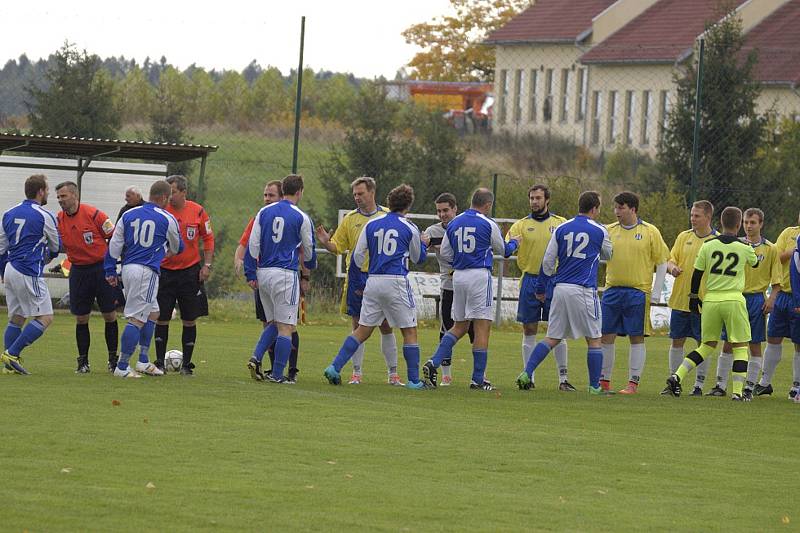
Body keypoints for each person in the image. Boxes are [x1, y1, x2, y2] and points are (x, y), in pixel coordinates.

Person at [324, 184, 429, 389]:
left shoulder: (371, 224)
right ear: (408, 204)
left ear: (389, 202)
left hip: (372, 280)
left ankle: (334, 367)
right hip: (396, 280)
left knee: (362, 330)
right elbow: (418, 258)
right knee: (409, 330)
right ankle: (414, 381)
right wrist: (423, 243)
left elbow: (357, 257)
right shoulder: (409, 227)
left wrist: (360, 283)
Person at [422, 188, 519, 391]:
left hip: (458, 277)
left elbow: (447, 254)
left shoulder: (454, 224)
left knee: (459, 326)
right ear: (488, 205)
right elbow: (504, 251)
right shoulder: (488, 223)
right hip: (478, 276)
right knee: (482, 327)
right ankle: (478, 379)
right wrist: (515, 242)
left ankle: (433, 362)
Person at [516, 191, 613, 395]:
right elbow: (608, 254)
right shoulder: (600, 230)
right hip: (584, 289)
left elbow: (548, 262)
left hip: (560, 289)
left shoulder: (561, 228)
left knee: (552, 337)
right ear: (595, 209)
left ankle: (526, 373)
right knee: (594, 339)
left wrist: (541, 288)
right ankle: (595, 386)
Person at [665, 207, 758, 401]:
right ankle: (738, 392)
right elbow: (755, 263)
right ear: (739, 224)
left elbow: (697, 274)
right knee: (740, 346)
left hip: (711, 300)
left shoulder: (707, 245)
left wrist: (693, 298)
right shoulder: (744, 247)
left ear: (721, 223)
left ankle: (677, 376)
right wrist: (747, 245)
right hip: (733, 299)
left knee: (706, 346)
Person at [316, 177, 402, 386]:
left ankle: (393, 374)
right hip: (357, 277)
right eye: (355, 194)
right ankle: (356, 373)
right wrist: (327, 243)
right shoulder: (349, 219)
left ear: (372, 193)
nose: (357, 198)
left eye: (360, 193)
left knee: (385, 325)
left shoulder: (387, 215)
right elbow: (338, 247)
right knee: (357, 325)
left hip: (380, 276)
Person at [105, 180, 183, 378]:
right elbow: (178, 247)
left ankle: (143, 361)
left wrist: (110, 270)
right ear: (165, 197)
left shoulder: (128, 214)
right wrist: (164, 251)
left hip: (128, 268)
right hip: (146, 272)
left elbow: (115, 243)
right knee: (137, 318)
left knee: (153, 313)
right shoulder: (167, 218)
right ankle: (122, 366)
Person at [245, 174, 316, 383]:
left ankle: (256, 357)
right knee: (286, 326)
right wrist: (310, 267)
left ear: (283, 189)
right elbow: (309, 249)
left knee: (273, 323)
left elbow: (253, 244)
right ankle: (277, 375)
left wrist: (251, 272)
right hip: (285, 273)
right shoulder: (301, 216)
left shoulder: (263, 212)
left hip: (264, 272)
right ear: (300, 191)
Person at [599, 191, 669, 394]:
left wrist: (656, 293)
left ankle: (632, 383)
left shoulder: (650, 231)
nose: (616, 212)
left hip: (638, 292)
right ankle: (604, 382)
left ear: (633, 209)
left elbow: (662, 261)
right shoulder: (607, 230)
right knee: (606, 336)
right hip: (612, 290)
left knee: (636, 337)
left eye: (621, 208)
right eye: (615, 207)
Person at [506, 184, 574, 391]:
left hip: (555, 281)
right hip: (530, 280)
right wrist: (512, 245)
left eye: (538, 198)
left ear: (547, 200)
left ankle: (563, 379)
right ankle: (529, 377)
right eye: (531, 198)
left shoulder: (561, 224)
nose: (534, 201)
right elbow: (506, 248)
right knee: (529, 328)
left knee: (558, 330)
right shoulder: (520, 225)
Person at [707, 208, 780, 397]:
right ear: (741, 224)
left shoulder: (771, 249)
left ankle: (748, 387)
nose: (748, 226)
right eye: (746, 222)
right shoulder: (736, 244)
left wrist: (771, 299)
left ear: (761, 224)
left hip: (756, 300)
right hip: (734, 298)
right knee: (728, 343)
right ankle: (720, 386)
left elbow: (777, 281)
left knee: (754, 344)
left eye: (753, 222)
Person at [55, 181, 120, 373]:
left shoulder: (94, 214)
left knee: (109, 315)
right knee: (81, 318)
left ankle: (112, 360)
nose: (60, 201)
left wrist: (112, 265)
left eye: (63, 196)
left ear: (75, 196)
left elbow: (115, 237)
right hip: (79, 272)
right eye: (58, 197)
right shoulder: (59, 219)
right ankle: (83, 362)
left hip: (100, 269)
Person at [153, 175, 214, 375]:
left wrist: (206, 265)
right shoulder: (161, 211)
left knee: (190, 319)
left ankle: (186, 365)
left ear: (184, 192)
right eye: (168, 193)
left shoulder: (198, 211)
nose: (170, 197)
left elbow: (208, 238)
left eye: (174, 192)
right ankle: (159, 362)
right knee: (161, 317)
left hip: (190, 272)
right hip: (165, 272)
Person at [0, 174, 61, 374]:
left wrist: (2, 272)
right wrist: (46, 256)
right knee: (45, 317)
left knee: (17, 316)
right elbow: (55, 246)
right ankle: (12, 353)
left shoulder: (9, 213)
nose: (48, 194)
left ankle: (8, 365)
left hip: (10, 269)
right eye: (48, 190)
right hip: (28, 270)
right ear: (41, 191)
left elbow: (1, 248)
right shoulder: (44, 215)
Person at [662, 200, 718, 396]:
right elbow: (670, 259)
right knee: (677, 341)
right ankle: (673, 382)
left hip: (705, 303)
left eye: (697, 216)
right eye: (692, 215)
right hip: (680, 299)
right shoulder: (683, 236)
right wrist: (672, 268)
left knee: (703, 344)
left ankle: (698, 386)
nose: (692, 219)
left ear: (708, 217)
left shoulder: (717, 241)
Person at [422, 192, 474, 386]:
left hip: (470, 285)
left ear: (455, 209)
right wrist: (422, 244)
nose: (442, 214)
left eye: (446, 210)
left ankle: (479, 375)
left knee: (475, 330)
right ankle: (446, 375)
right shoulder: (433, 231)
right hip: (448, 286)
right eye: (439, 211)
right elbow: (419, 254)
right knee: (446, 329)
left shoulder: (466, 226)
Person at [756, 213, 800, 398]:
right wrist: (792, 252)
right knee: (773, 338)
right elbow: (777, 258)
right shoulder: (788, 233)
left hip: (798, 298)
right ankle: (765, 383)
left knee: (798, 343)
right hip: (782, 295)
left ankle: (796, 386)